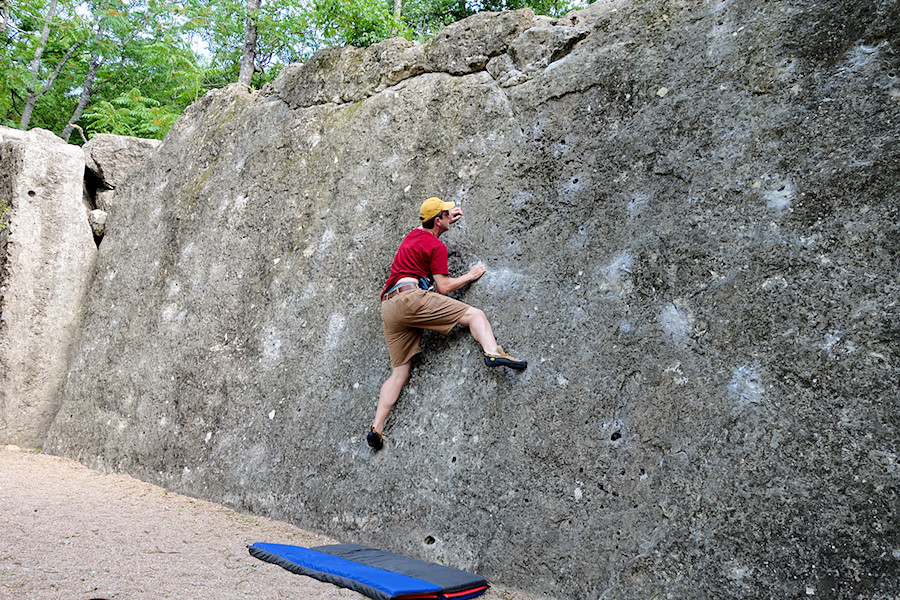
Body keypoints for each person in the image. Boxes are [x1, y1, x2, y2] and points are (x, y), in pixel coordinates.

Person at [367, 197, 527, 451]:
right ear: (438, 220)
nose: (450, 215)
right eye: (445, 213)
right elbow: (443, 286)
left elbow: (430, 225)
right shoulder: (436, 247)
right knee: (475, 315)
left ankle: (377, 428)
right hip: (411, 299)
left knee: (400, 372)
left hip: (389, 306)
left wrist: (443, 219)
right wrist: (471, 275)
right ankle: (492, 352)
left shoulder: (413, 235)